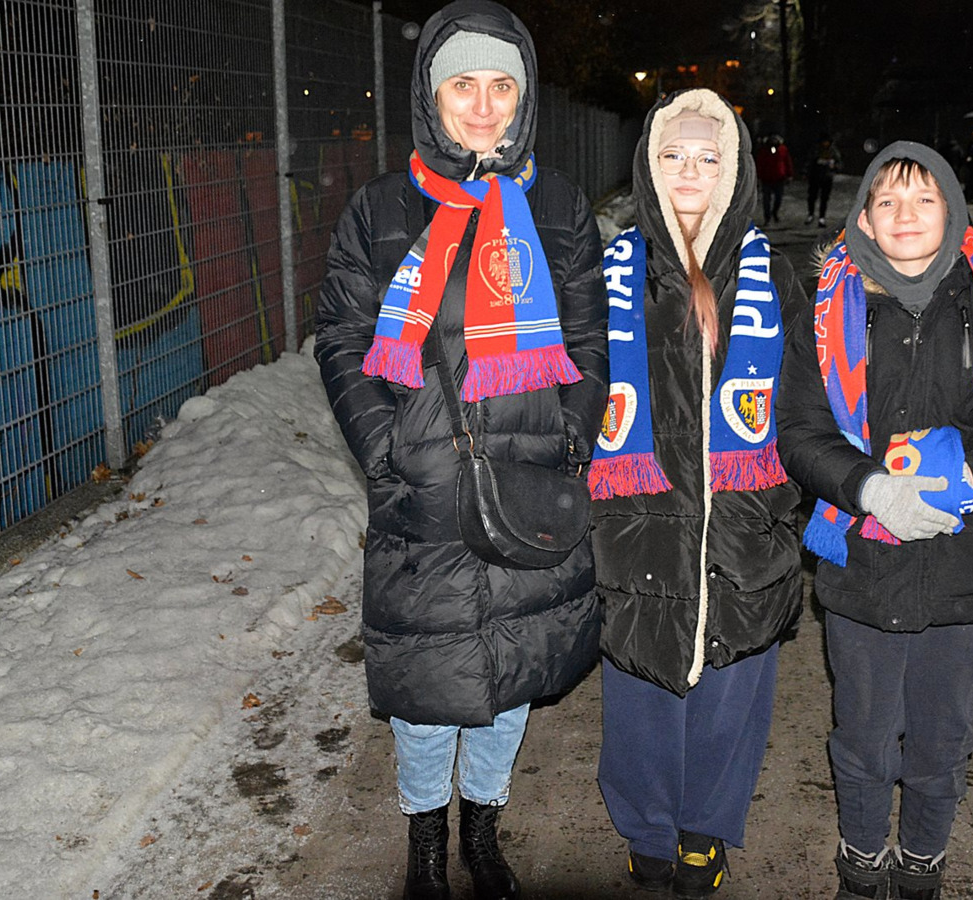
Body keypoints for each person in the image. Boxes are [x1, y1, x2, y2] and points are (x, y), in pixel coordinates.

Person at [313, 3, 609, 898]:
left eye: (501, 86)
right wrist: (385, 451)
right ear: (431, 97)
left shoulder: (557, 206)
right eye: (463, 86)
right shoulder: (381, 209)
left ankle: (483, 827)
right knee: (424, 686)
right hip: (425, 487)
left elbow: (591, 340)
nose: (483, 106)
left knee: (512, 673)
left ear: (523, 97)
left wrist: (569, 437)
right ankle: (426, 844)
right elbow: (342, 337)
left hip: (529, 482)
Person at [776, 141, 973, 900]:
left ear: (953, 210)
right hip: (863, 564)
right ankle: (861, 864)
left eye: (924, 198)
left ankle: (921, 865)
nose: (905, 214)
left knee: (943, 739)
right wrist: (869, 489)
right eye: (886, 200)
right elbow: (799, 432)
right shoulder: (824, 312)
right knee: (862, 738)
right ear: (864, 219)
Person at [588, 88, 807, 899]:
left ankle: (704, 830)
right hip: (638, 523)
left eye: (707, 157)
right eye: (673, 155)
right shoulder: (611, 275)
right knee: (640, 682)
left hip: (741, 523)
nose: (689, 170)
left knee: (730, 688)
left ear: (734, 170)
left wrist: (793, 505)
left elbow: (808, 402)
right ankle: (647, 827)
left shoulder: (771, 275)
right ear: (650, 167)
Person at [754, 132, 795, 225]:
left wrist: (789, 174)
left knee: (778, 199)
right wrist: (758, 177)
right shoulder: (763, 151)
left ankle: (774, 212)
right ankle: (767, 217)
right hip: (766, 178)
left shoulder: (783, 149)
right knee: (766, 200)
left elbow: (787, 162)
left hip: (779, 178)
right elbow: (760, 164)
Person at [806, 132, 842, 229]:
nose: (825, 144)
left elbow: (839, 164)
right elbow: (810, 162)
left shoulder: (833, 151)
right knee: (812, 197)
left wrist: (834, 166)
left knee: (824, 198)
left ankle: (822, 217)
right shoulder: (816, 150)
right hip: (815, 177)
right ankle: (811, 214)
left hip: (827, 177)